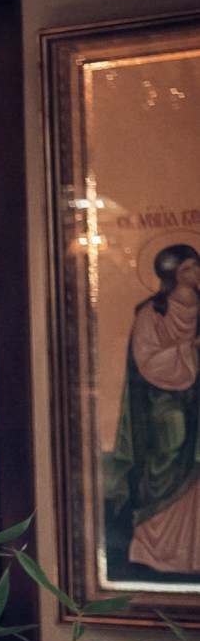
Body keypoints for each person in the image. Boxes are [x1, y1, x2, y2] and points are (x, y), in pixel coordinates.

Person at [107, 241, 200, 574]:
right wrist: (189, 350)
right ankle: (157, 549)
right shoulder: (151, 312)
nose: (195, 272)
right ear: (171, 272)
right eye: (188, 268)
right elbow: (146, 362)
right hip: (164, 405)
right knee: (171, 447)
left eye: (195, 266)